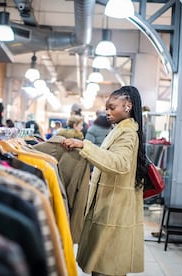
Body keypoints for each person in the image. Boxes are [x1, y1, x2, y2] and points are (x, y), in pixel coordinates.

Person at [62, 86, 147, 275]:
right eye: (107, 108)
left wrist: (86, 146)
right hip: (111, 207)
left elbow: (120, 163)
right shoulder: (120, 130)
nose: (107, 112)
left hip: (114, 211)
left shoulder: (127, 133)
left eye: (112, 107)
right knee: (103, 268)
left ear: (127, 106)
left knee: (107, 268)